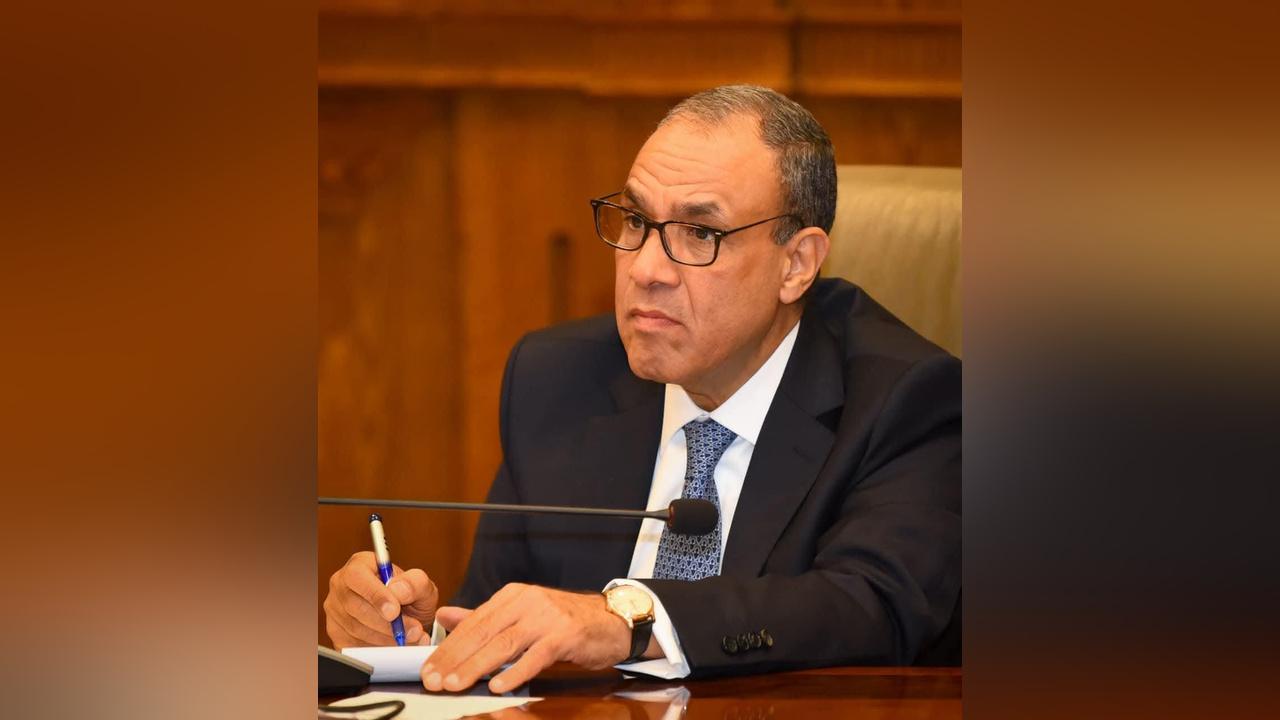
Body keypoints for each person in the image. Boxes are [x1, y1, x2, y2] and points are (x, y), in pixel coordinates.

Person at [323, 85, 961, 693]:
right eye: (635, 221)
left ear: (795, 264)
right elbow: (501, 610)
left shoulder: (906, 399)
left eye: (700, 234)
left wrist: (631, 620)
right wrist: (420, 639)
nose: (647, 269)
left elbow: (872, 605)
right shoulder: (556, 379)